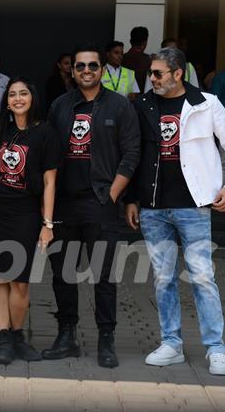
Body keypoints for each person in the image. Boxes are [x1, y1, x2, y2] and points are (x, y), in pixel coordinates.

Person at [124, 47, 225, 376]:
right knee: (163, 278)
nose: (152, 78)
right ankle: (171, 344)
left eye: (158, 73)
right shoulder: (143, 105)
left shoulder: (205, 103)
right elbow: (133, 154)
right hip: (153, 207)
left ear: (178, 73)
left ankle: (216, 349)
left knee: (202, 277)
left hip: (194, 205)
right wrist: (132, 199)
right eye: (151, 73)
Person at [44, 43, 141, 368]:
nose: (86, 71)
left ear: (102, 71)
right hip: (64, 205)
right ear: (72, 71)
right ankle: (66, 335)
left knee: (103, 275)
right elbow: (47, 155)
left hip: (101, 202)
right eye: (80, 66)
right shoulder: (59, 105)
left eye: (92, 66)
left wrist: (113, 194)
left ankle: (106, 339)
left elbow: (132, 153)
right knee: (63, 273)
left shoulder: (119, 106)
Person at [0, 77, 60, 365]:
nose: (17, 98)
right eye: (12, 94)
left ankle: (17, 336)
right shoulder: (0, 128)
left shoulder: (45, 133)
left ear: (32, 97)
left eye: (23, 93)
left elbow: (50, 182)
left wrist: (47, 224)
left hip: (26, 213)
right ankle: (4, 337)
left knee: (21, 281)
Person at [122, 26, 151, 93]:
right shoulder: (147, 60)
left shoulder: (121, 58)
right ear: (145, 42)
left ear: (130, 41)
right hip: (142, 99)